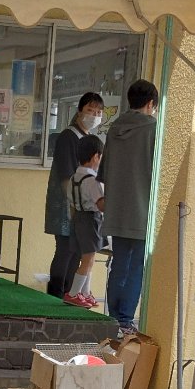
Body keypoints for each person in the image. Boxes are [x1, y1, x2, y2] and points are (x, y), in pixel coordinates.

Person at [99, 79, 159, 337]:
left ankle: (112, 317)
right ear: (150, 104)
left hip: (117, 207)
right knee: (136, 267)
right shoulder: (154, 129)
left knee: (120, 263)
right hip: (143, 208)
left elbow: (104, 171)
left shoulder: (114, 128)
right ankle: (125, 320)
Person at [45, 92, 104, 298]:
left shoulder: (87, 138)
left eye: (98, 111)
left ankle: (71, 293)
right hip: (67, 205)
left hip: (80, 206)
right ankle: (56, 293)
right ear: (79, 111)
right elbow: (66, 175)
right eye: (90, 110)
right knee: (65, 250)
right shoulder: (69, 136)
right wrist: (73, 207)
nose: (94, 115)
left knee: (77, 252)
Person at [61, 135, 105, 309]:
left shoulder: (74, 177)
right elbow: (101, 205)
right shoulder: (93, 180)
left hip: (78, 218)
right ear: (96, 156)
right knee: (88, 259)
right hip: (90, 219)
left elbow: (71, 203)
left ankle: (85, 293)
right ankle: (73, 293)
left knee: (87, 257)